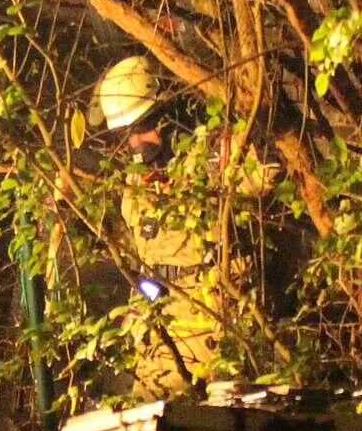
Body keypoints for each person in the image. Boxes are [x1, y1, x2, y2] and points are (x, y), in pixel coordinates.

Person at [90, 53, 268, 396]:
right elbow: (137, 255)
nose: (135, 144)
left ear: (168, 116)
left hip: (214, 327)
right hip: (159, 334)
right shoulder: (136, 184)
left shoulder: (211, 162)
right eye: (127, 135)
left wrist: (243, 138)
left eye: (142, 130)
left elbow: (267, 173)